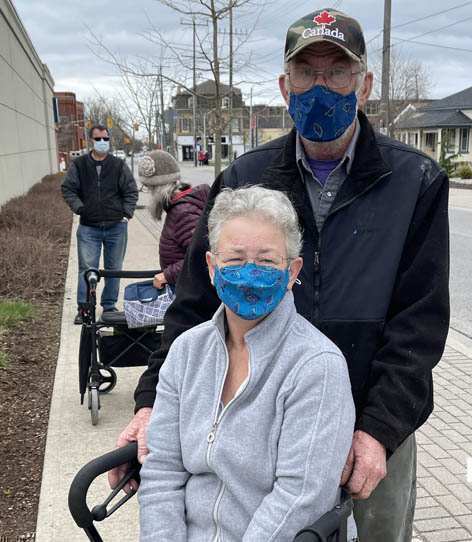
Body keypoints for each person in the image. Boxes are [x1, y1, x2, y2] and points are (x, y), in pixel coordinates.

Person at [113, 8, 450, 541]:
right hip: (264, 420)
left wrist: (379, 430)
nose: (321, 86)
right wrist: (153, 400)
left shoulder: (414, 180)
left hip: (371, 415)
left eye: (337, 72)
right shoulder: (246, 175)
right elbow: (195, 301)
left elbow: (420, 322)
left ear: (364, 85)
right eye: (305, 72)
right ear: (284, 86)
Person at [138, 186, 355, 540]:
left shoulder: (317, 366)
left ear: (292, 271)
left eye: (267, 261)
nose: (250, 273)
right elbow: (162, 472)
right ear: (211, 267)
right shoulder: (186, 353)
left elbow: (300, 497)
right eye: (235, 259)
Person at [61, 124, 138, 324]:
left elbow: (131, 191)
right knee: (87, 269)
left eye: (105, 138)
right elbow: (68, 189)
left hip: (116, 226)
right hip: (89, 227)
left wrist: (126, 214)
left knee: (114, 268)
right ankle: (85, 309)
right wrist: (79, 208)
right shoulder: (79, 165)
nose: (102, 142)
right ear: (91, 141)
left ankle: (109, 307)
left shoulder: (118, 165)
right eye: (98, 139)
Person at [136, 150, 210, 289]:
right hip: (186, 286)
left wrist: (167, 275)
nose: (149, 193)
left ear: (159, 187)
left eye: (148, 188)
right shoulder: (180, 206)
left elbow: (202, 256)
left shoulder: (183, 212)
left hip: (190, 291)